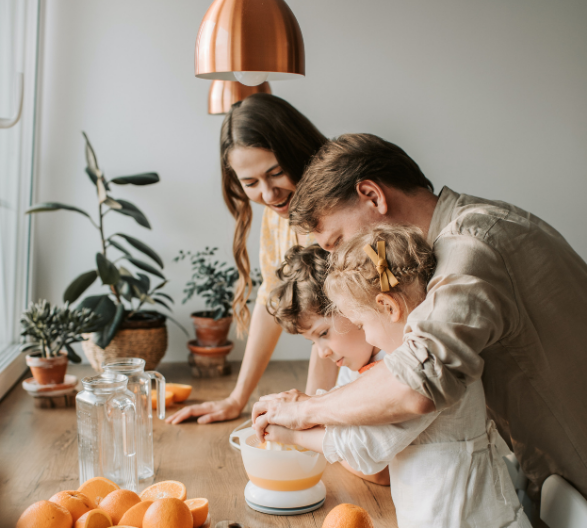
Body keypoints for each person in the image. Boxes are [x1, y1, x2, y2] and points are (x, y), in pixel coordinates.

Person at [252, 132, 587, 500]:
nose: (336, 263)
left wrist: (306, 410)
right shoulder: (448, 247)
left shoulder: (472, 245)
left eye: (336, 242)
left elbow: (417, 382)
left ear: (372, 196)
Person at [265, 226, 531, 527]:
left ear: (388, 307)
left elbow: (366, 447)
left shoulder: (420, 369)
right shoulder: (406, 357)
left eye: (361, 324)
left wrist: (291, 434)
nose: (368, 335)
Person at [166, 94, 337, 425]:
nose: (269, 194)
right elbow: (271, 297)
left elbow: (334, 317)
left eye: (276, 172)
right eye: (250, 183)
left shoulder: (336, 205)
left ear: (298, 150)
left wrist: (312, 412)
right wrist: (236, 399)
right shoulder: (279, 212)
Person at [266, 243, 390, 485]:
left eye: (323, 333)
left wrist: (296, 435)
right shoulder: (352, 366)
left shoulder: (395, 357)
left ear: (352, 305)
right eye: (313, 342)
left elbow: (378, 471)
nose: (322, 353)